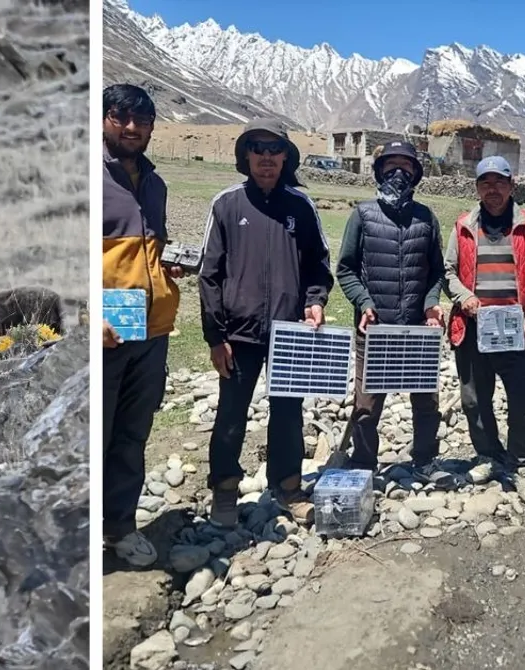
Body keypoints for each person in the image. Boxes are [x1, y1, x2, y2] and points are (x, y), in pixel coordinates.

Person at [198, 119, 334, 528]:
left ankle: (288, 487)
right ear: (246, 156)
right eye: (257, 148)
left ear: (285, 157)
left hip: (289, 331)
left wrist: (314, 301)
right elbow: (209, 274)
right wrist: (214, 336)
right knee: (231, 414)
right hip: (238, 336)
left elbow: (318, 264)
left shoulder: (301, 206)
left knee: (289, 411)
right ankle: (224, 491)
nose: (266, 157)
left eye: (275, 149)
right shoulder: (227, 204)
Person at [335, 141, 459, 489]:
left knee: (425, 401)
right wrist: (364, 301)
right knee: (366, 404)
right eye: (391, 167)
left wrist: (431, 302)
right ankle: (363, 464)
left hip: (417, 329)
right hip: (374, 328)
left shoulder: (426, 217)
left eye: (406, 167)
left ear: (416, 174)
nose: (398, 174)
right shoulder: (362, 215)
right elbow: (345, 269)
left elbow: (435, 271)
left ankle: (425, 461)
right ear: (379, 172)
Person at [101, 84, 185, 567]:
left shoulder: (155, 183)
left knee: (132, 433)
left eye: (142, 120)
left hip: (150, 327)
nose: (131, 128)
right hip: (107, 326)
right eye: (120, 117)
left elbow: (147, 250)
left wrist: (167, 268)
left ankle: (120, 527)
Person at [442, 156, 525, 506]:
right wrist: (465, 297)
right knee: (474, 400)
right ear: (477, 188)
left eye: (499, 182)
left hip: (518, 331)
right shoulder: (462, 226)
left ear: (511, 186)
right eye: (485, 182)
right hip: (474, 330)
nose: (493, 189)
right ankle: (488, 455)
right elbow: (448, 271)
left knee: (523, 403)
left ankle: (523, 465)